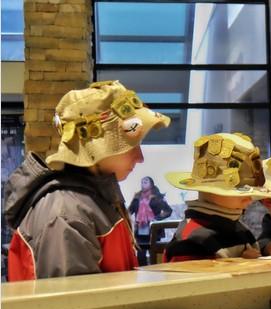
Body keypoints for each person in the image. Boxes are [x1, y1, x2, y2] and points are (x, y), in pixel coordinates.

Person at [3, 80, 170, 280]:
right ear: (98, 146)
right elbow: (73, 308)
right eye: (132, 145)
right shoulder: (67, 215)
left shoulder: (91, 203)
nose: (140, 157)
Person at [163, 132, 271, 261]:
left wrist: (265, 251)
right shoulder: (190, 242)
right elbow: (194, 281)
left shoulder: (238, 228)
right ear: (210, 190)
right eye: (239, 191)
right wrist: (243, 266)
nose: (250, 198)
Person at [128, 176, 173, 266]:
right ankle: (142, 274)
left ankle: (156, 275)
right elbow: (129, 211)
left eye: (145, 182)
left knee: (154, 254)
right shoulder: (137, 197)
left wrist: (157, 219)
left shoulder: (157, 197)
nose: (143, 184)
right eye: (142, 182)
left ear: (151, 184)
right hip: (141, 229)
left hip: (154, 229)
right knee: (140, 255)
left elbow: (168, 210)